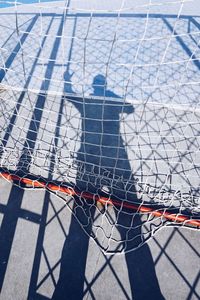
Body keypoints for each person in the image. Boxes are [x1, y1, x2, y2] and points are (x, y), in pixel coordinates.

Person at [52, 73, 164, 299]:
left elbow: (70, 95)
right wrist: (113, 95)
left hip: (89, 158)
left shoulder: (87, 101)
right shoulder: (101, 100)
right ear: (103, 86)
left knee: (80, 218)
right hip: (114, 157)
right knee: (130, 224)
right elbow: (130, 109)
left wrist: (67, 80)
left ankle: (65, 291)